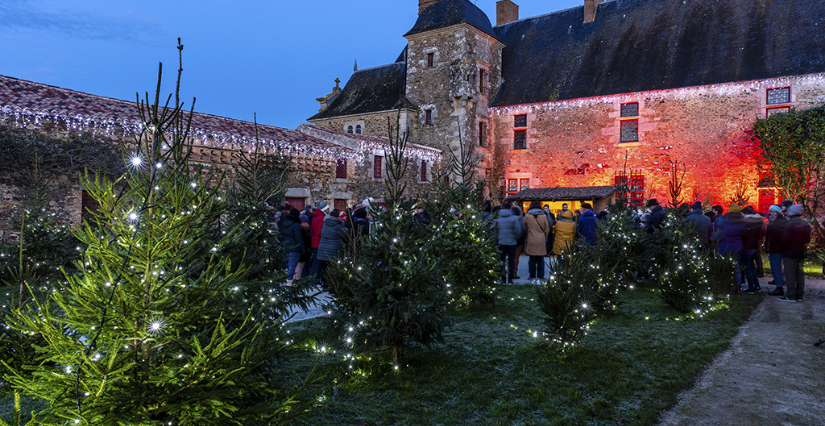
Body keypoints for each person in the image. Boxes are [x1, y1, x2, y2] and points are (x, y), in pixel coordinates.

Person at [779, 204, 811, 302]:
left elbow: (785, 240)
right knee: (800, 274)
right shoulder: (805, 223)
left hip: (790, 252)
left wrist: (781, 248)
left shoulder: (790, 224)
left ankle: (791, 295)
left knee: (790, 274)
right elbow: (807, 239)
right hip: (801, 251)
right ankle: (799, 295)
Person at [714, 203, 745, 291]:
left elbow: (715, 224)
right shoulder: (742, 220)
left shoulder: (725, 219)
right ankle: (738, 287)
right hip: (737, 246)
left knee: (723, 265)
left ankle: (724, 285)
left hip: (724, 245)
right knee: (736, 266)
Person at [316, 209, 347, 289]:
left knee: (323, 266)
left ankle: (323, 282)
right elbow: (344, 235)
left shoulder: (325, 224)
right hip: (334, 247)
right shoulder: (339, 225)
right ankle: (331, 283)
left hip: (323, 246)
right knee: (332, 266)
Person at [494, 202, 522, 283]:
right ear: (510, 208)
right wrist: (515, 238)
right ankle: (510, 278)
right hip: (511, 242)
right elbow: (518, 231)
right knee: (511, 261)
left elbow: (495, 230)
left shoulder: (498, 218)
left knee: (502, 260)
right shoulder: (515, 218)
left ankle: (503, 278)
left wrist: (497, 238)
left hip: (501, 242)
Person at [763, 205, 788, 296]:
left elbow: (781, 236)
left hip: (777, 248)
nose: (771, 213)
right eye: (770, 211)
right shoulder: (773, 222)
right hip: (773, 248)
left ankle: (779, 287)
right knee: (775, 268)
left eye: (773, 211)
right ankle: (778, 285)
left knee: (776, 268)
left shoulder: (780, 223)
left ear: (777, 212)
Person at [523, 201, 550, 284]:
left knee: (532, 260)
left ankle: (532, 277)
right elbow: (547, 230)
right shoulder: (543, 216)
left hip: (531, 239)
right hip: (541, 239)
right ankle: (539, 278)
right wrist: (544, 238)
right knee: (540, 260)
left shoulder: (527, 216)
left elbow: (524, 227)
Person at [740, 206, 764, 292]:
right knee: (751, 267)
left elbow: (745, 235)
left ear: (746, 214)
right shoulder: (757, 222)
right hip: (754, 246)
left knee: (747, 268)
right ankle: (756, 286)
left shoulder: (748, 222)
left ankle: (751, 287)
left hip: (747, 247)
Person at [281, 208, 305, 286]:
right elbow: (298, 238)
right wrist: (303, 248)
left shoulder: (284, 223)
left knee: (288, 265)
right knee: (292, 265)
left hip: (286, 246)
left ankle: (287, 280)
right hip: (295, 247)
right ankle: (289, 282)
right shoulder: (296, 225)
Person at [310, 201, 330, 282]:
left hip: (314, 241)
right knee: (319, 262)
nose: (329, 210)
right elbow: (319, 232)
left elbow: (312, 230)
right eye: (327, 209)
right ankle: (315, 279)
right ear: (324, 210)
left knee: (315, 261)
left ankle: (313, 277)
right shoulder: (322, 218)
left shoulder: (315, 217)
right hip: (319, 242)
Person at [294, 214, 312, 280]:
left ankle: (294, 277)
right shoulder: (305, 229)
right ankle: (297, 278)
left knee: (296, 265)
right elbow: (307, 239)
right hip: (304, 248)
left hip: (298, 248)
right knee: (300, 265)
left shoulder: (297, 227)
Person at [511, 205, 526, 279]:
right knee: (516, 257)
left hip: (510, 240)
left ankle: (509, 271)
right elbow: (523, 229)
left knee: (510, 257)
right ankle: (514, 272)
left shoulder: (509, 219)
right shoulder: (520, 219)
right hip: (519, 241)